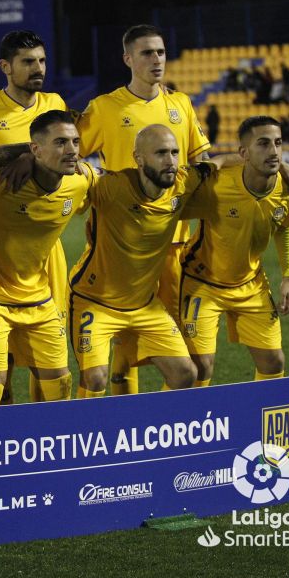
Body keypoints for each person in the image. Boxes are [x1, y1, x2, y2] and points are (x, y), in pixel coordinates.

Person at [76, 24, 211, 396]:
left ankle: (176, 425)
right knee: (121, 340)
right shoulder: (105, 108)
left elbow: (202, 165)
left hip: (172, 243)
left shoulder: (181, 104)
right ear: (128, 59)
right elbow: (70, 152)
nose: (156, 60)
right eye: (148, 53)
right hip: (118, 244)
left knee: (185, 345)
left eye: (161, 52)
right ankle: (124, 422)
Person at [0, 30, 68, 404]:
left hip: (46, 247)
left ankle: (43, 434)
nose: (38, 68)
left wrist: (30, 157)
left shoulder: (54, 102)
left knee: (49, 357)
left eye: (41, 60)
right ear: (6, 67)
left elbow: (66, 153)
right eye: (27, 62)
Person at [69, 125, 219, 396]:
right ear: (138, 158)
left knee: (185, 374)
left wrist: (283, 168)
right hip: (95, 301)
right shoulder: (111, 186)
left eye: (174, 152)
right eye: (161, 153)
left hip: (145, 306)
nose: (171, 160)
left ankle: (159, 434)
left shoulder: (183, 182)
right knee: (95, 379)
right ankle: (91, 434)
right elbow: (82, 174)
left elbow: (218, 163)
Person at [0, 110, 90, 407]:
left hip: (39, 298)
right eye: (60, 142)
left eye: (75, 142)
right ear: (35, 149)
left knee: (60, 385)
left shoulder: (80, 182)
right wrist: (18, 154)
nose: (72, 150)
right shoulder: (0, 184)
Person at [179, 116, 289, 385]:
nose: (274, 151)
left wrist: (288, 277)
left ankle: (263, 423)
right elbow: (171, 209)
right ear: (244, 153)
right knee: (199, 368)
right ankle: (188, 423)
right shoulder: (217, 184)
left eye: (278, 144)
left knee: (274, 361)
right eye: (264, 144)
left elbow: (284, 226)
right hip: (202, 283)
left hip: (250, 283)